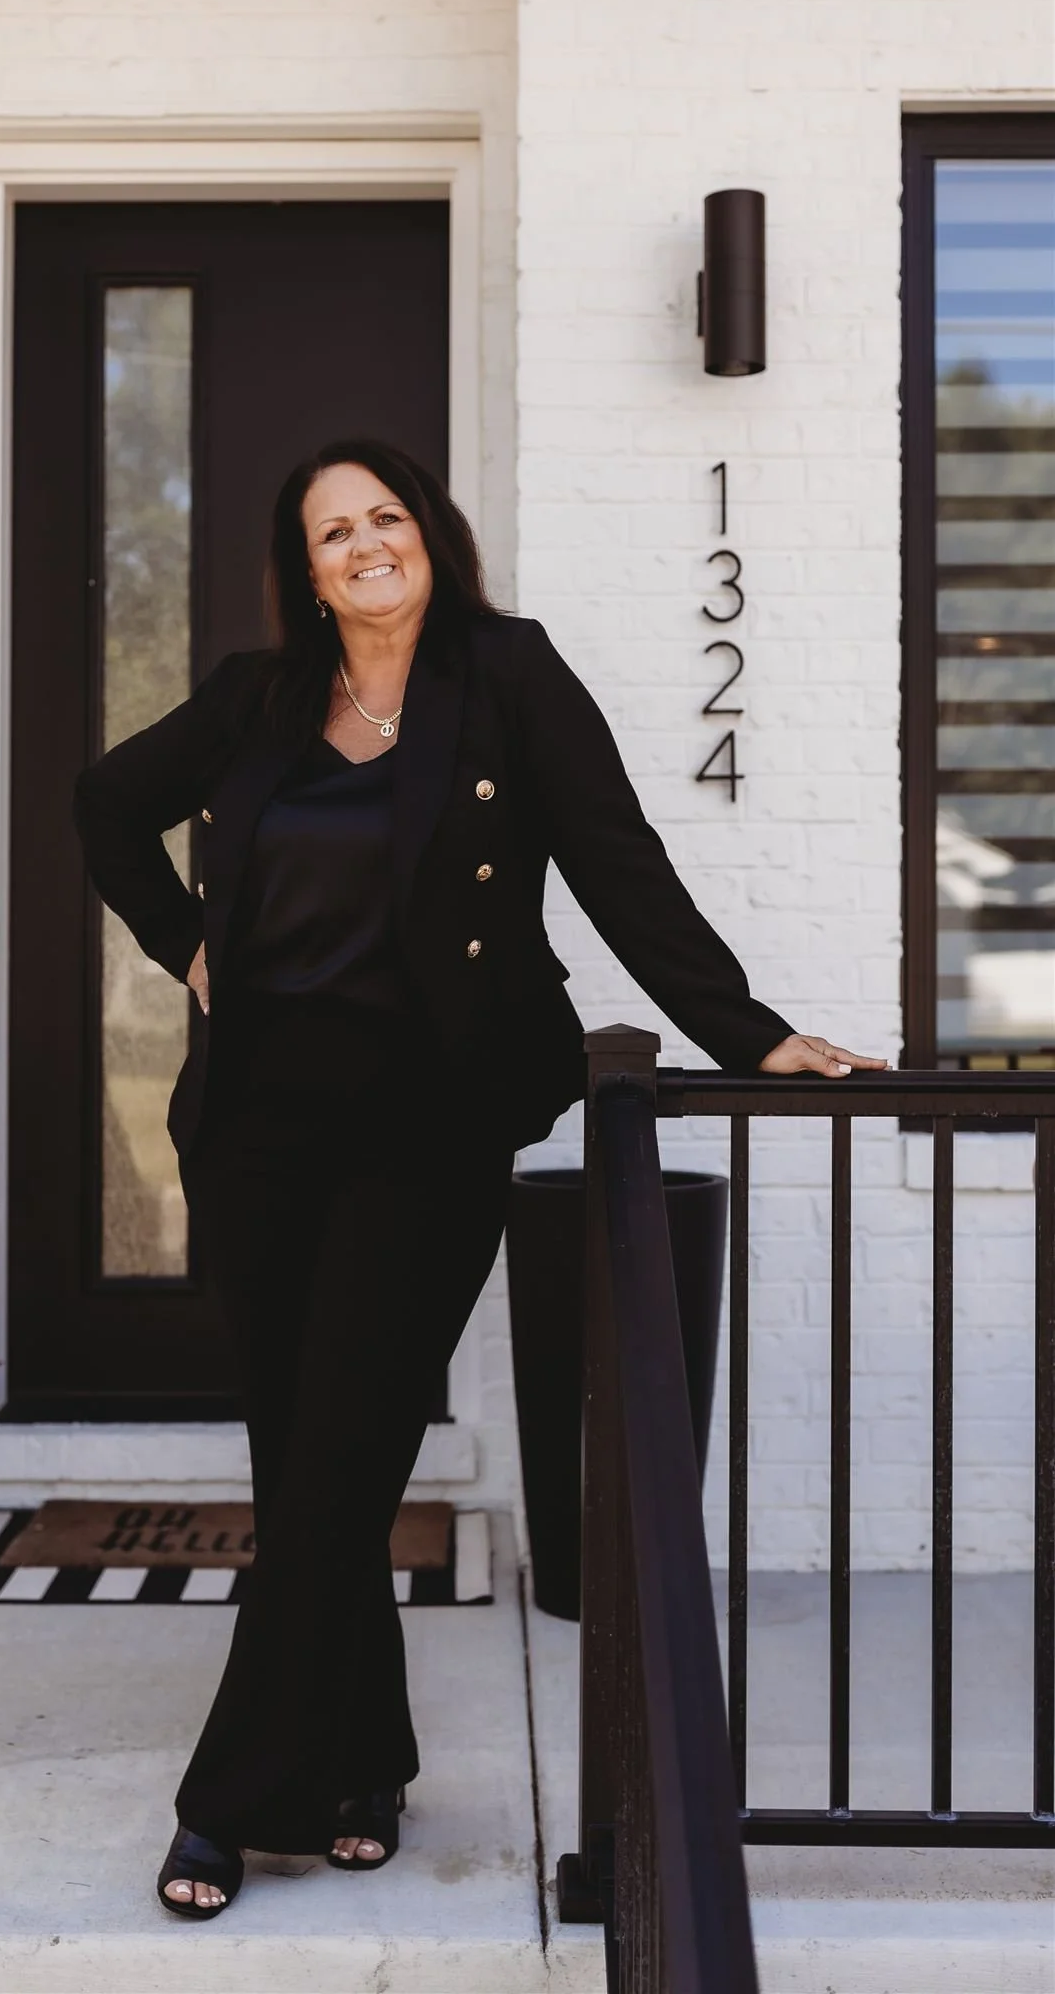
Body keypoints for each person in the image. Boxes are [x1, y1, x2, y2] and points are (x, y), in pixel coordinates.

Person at [72, 436, 887, 1920]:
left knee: (336, 1454)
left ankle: (229, 1802)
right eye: (333, 533)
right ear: (307, 575)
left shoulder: (507, 675)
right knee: (313, 1461)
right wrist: (187, 941)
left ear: (430, 537)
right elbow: (104, 805)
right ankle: (364, 1762)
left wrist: (752, 1034)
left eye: (386, 517)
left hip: (427, 1132)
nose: (366, 545)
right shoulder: (258, 704)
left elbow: (619, 861)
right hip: (260, 1135)